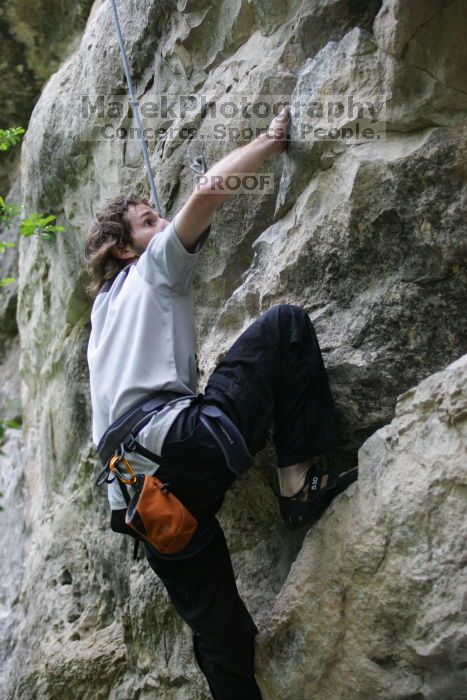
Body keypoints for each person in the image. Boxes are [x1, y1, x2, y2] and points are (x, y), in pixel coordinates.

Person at [85, 105, 357, 700]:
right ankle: (298, 488)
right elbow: (208, 195)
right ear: (128, 249)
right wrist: (270, 140)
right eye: (148, 220)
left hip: (136, 493)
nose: (162, 225)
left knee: (219, 630)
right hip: (181, 443)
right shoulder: (153, 266)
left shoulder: (99, 319)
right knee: (284, 325)